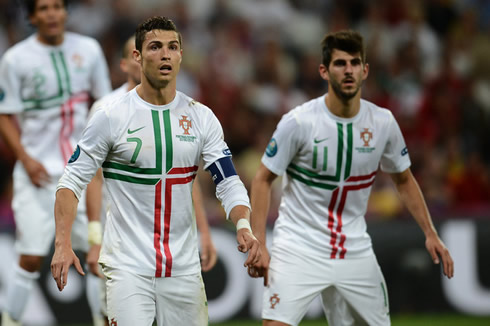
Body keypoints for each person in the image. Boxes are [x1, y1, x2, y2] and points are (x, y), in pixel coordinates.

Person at [50, 16, 260, 326]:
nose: (165, 54)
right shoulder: (111, 116)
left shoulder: (201, 117)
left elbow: (227, 180)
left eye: (172, 47)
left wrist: (243, 223)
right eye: (155, 47)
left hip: (184, 270)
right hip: (128, 268)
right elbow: (71, 181)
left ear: (181, 55)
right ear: (137, 56)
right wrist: (63, 243)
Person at [249, 30, 454, 326]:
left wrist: (430, 232)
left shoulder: (382, 123)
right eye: (340, 63)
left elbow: (404, 179)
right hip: (298, 246)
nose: (348, 70)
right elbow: (262, 179)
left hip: (354, 249)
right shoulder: (298, 122)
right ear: (324, 70)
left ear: (365, 70)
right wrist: (260, 244)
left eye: (355, 63)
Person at [85, 35, 218, 326]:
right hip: (120, 238)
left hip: (171, 245)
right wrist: (94, 237)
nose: (159, 57)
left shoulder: (182, 111)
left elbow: (183, 176)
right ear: (130, 60)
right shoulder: (107, 109)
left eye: (167, 49)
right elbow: (92, 179)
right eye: (150, 50)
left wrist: (204, 231)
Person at [0, 0, 112, 325]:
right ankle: (11, 321)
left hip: (81, 175)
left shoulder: (88, 50)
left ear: (66, 12)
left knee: (96, 257)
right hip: (37, 173)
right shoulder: (15, 59)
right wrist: (24, 157)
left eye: (58, 6)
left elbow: (105, 105)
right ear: (33, 16)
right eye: (44, 8)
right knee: (31, 257)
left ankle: (101, 320)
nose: (52, 14)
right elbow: (5, 116)